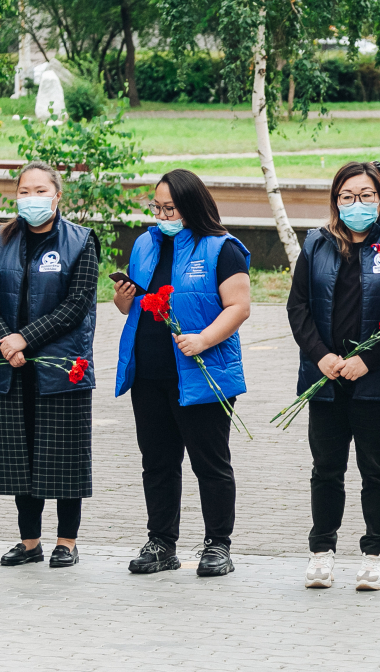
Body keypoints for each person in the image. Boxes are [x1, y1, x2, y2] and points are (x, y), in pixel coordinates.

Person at [288, 162, 380, 591]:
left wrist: (370, 360)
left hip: (375, 380)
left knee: (376, 469)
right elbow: (298, 308)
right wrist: (321, 356)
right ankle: (321, 551)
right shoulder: (316, 245)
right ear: (335, 201)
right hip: (325, 379)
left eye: (365, 196)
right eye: (346, 196)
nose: (356, 204)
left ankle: (374, 555)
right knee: (326, 468)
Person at [114, 169, 251, 578]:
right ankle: (161, 543)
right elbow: (132, 308)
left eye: (169, 208)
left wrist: (204, 339)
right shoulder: (144, 244)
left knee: (210, 463)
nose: (161, 215)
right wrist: (123, 301)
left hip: (201, 372)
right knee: (157, 462)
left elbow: (239, 307)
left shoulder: (221, 247)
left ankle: (217, 545)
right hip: (150, 373)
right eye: (156, 207)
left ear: (190, 206)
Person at [0, 161, 98, 570]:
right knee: (22, 456)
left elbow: (77, 304)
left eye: (41, 191)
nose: (32, 198)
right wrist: (6, 341)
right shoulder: (1, 240)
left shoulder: (80, 241)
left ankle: (66, 541)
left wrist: (27, 338)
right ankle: (29, 541)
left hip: (60, 367)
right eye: (25, 191)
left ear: (58, 196)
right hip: (11, 365)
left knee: (63, 456)